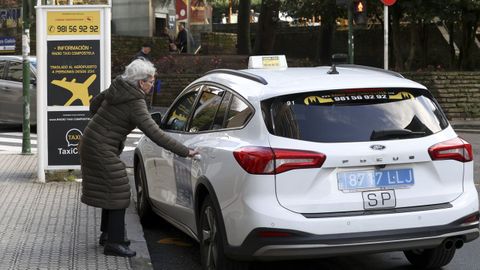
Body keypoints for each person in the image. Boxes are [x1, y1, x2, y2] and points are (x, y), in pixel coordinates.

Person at [79, 59, 198, 257]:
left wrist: (107, 121)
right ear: (141, 82)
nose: (152, 85)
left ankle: (108, 235)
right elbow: (155, 133)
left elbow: (94, 105)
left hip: (91, 141)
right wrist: (185, 151)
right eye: (151, 81)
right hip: (100, 147)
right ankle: (114, 243)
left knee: (112, 189)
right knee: (119, 190)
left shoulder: (118, 87)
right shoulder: (135, 102)